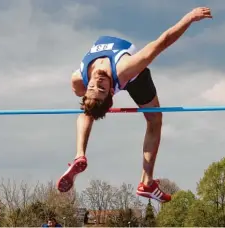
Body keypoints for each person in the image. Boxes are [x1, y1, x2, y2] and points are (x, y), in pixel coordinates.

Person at [57, 7, 212, 203]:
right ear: (112, 91)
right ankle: (144, 181)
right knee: (153, 118)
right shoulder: (124, 69)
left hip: (118, 78)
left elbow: (161, 43)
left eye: (94, 86)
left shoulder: (79, 81)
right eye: (101, 88)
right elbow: (161, 42)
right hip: (133, 78)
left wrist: (95, 98)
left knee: (90, 107)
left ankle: (84, 157)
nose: (97, 81)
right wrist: (189, 18)